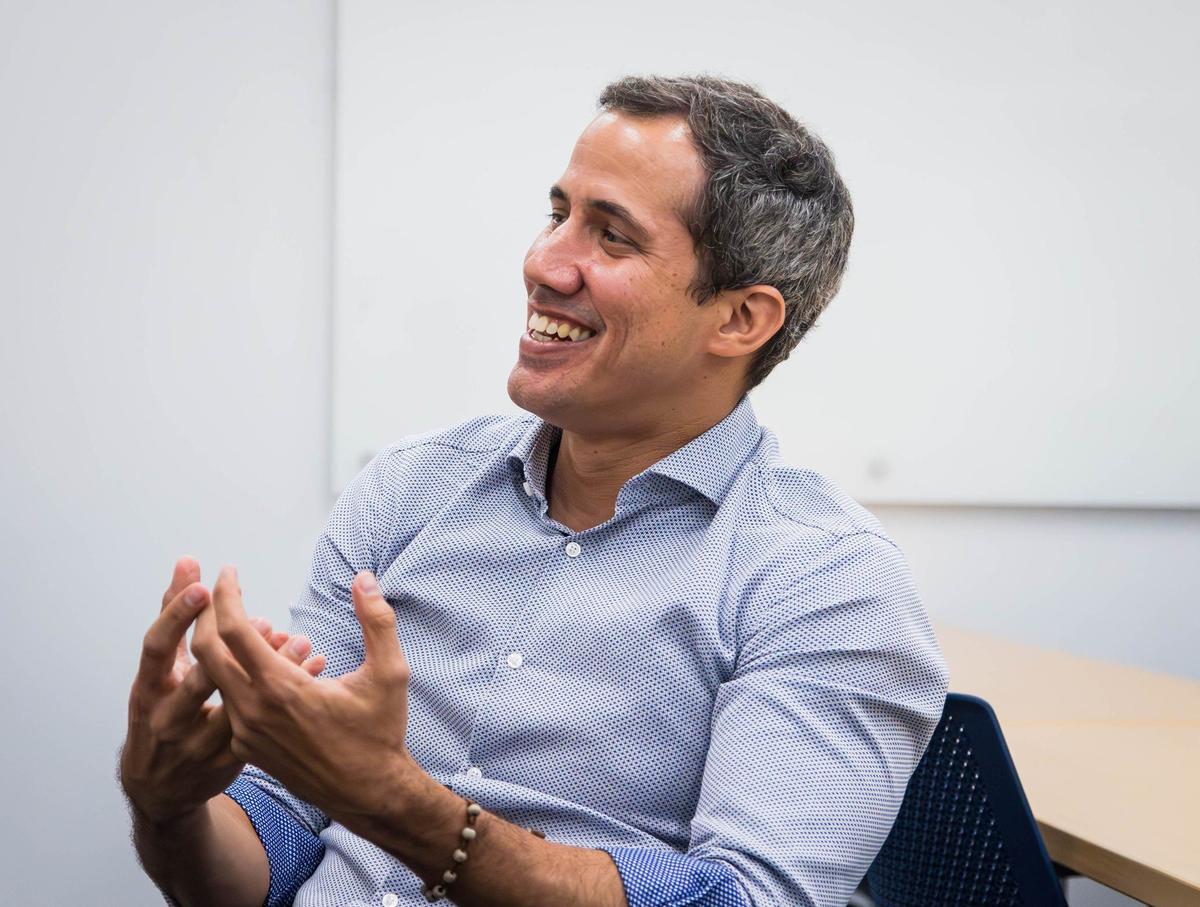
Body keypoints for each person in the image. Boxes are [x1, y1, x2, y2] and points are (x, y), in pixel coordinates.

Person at [120, 74, 949, 907]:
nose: (545, 262)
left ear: (740, 320)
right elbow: (283, 827)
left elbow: (748, 898)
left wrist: (395, 802)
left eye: (613, 237)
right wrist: (170, 807)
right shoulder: (412, 489)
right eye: (560, 214)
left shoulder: (824, 579)